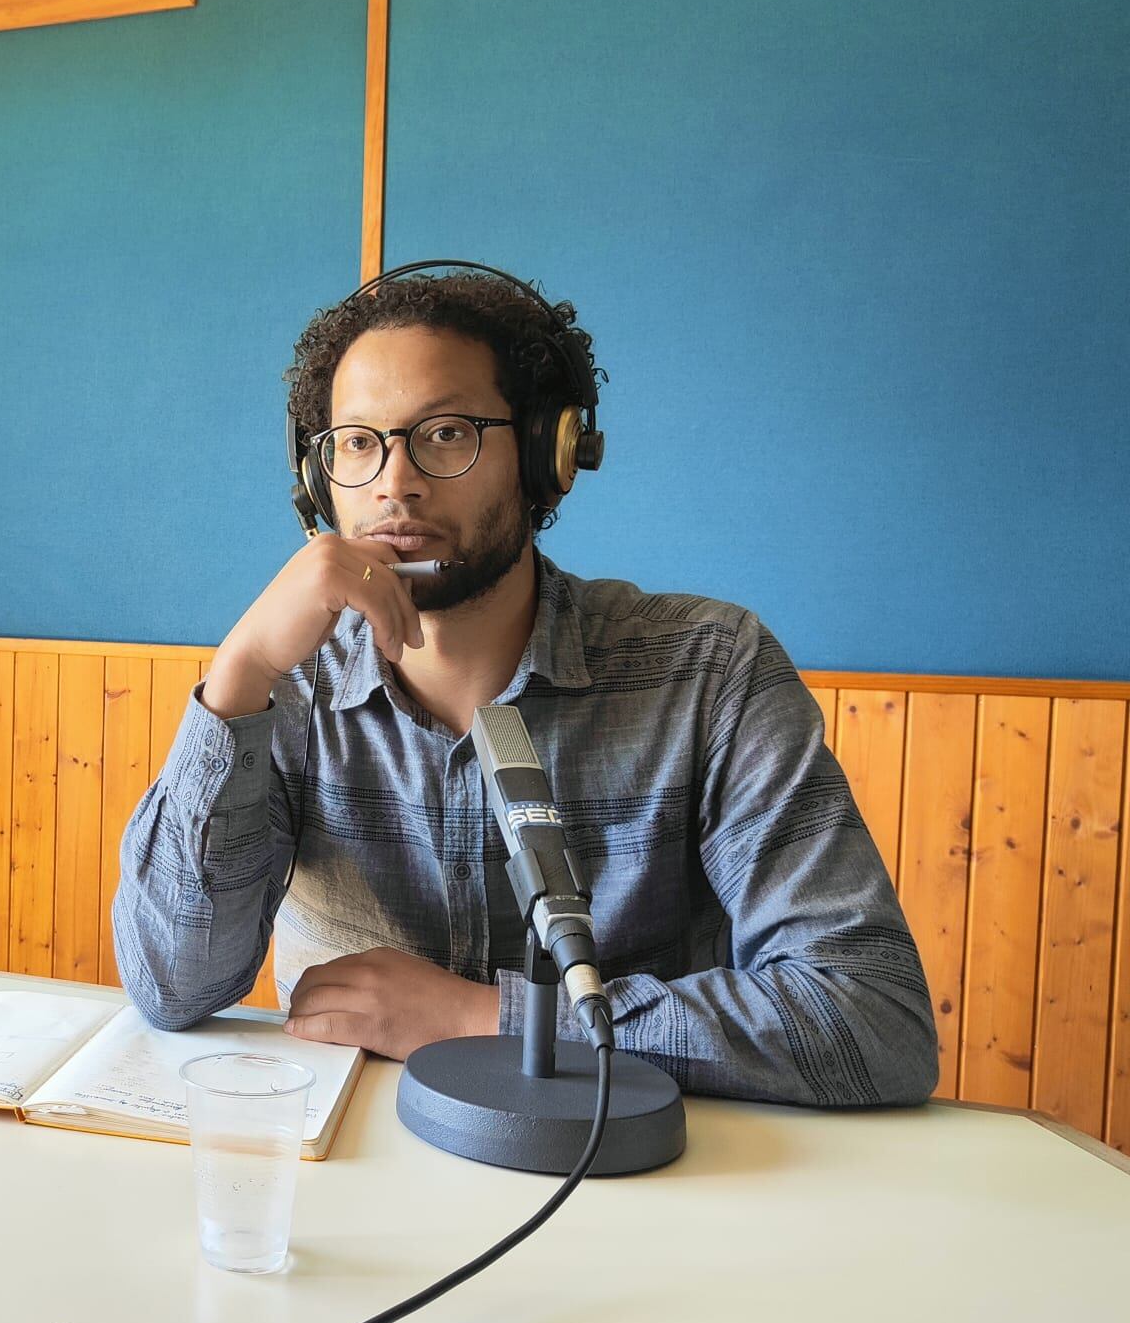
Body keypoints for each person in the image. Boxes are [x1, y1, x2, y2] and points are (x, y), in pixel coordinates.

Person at [112, 266, 939, 1107]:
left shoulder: (709, 670)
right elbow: (171, 986)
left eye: (444, 433)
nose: (393, 482)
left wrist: (485, 1017)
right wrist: (240, 672)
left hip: (631, 1183)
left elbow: (871, 1017)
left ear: (549, 454)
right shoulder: (281, 689)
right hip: (363, 1181)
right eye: (358, 442)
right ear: (316, 475)